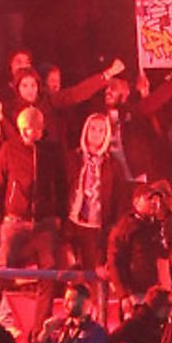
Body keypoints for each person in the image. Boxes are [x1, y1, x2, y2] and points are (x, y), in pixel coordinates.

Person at [0, 106, 66, 270]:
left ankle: (46, 297)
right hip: (15, 219)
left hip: (45, 221)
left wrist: (60, 217)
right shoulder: (9, 148)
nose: (24, 133)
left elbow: (61, 185)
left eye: (28, 129)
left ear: (40, 129)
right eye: (22, 129)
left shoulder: (52, 151)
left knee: (50, 267)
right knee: (1, 267)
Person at [63, 112, 127, 271]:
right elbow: (60, 187)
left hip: (96, 226)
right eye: (93, 129)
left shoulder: (113, 165)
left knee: (92, 272)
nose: (96, 134)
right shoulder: (72, 158)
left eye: (101, 130)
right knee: (67, 272)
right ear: (86, 131)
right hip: (71, 222)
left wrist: (115, 226)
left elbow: (119, 198)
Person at [29, 281, 111, 343]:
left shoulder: (96, 332)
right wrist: (45, 332)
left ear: (86, 303)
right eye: (65, 300)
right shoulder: (62, 327)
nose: (65, 305)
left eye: (71, 300)